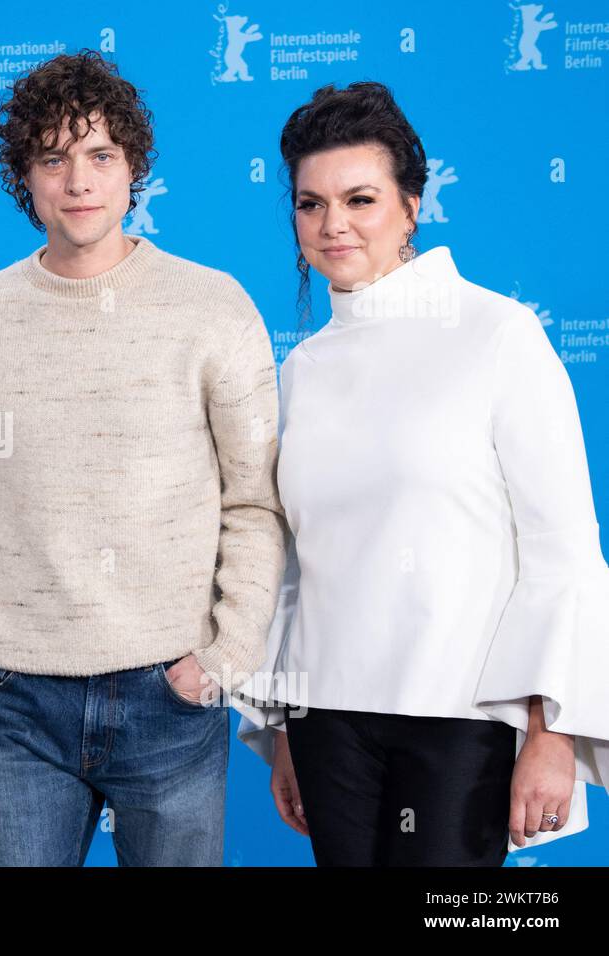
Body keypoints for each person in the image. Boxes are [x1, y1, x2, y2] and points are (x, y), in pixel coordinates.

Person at [236, 81, 609, 866]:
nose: (333, 225)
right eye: (310, 204)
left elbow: (565, 551)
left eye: (360, 198)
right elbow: (300, 565)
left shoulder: (499, 336)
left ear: (411, 206)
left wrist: (552, 735)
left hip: (460, 719)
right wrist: (285, 730)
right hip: (328, 722)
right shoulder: (302, 368)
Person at [0, 50, 287, 866]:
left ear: (133, 169)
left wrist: (224, 658)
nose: (79, 180)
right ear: (26, 176)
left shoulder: (212, 304)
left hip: (170, 687)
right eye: (53, 159)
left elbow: (255, 499)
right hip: (21, 696)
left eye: (100, 155)